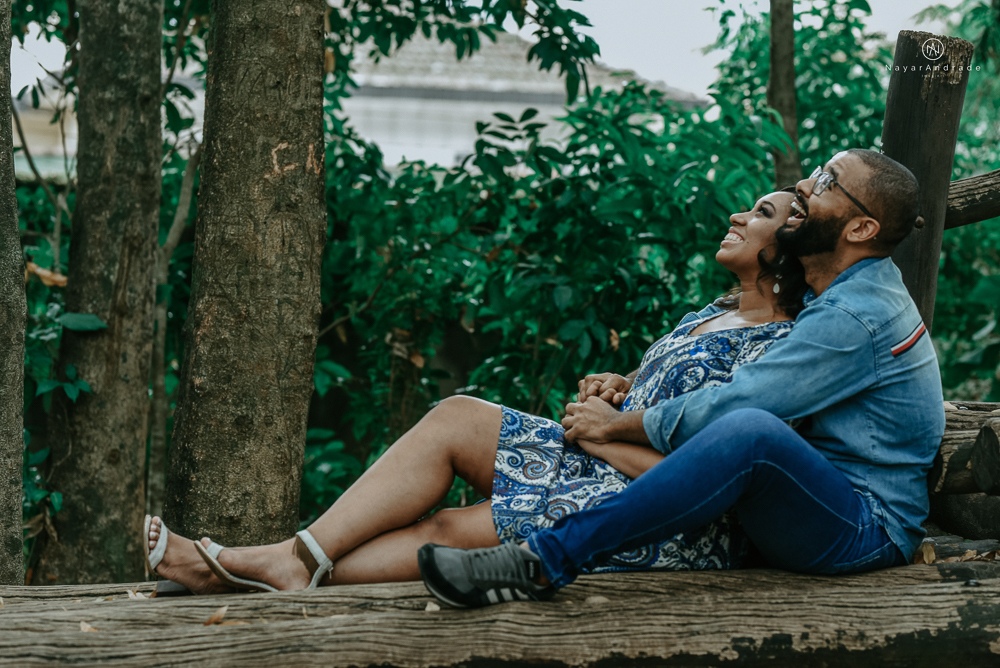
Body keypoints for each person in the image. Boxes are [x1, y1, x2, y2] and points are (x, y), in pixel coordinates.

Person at [143, 188, 808, 594]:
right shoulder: (712, 313)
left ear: (791, 246)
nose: (738, 214)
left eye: (762, 212)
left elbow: (714, 477)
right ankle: (290, 559)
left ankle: (259, 567)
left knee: (451, 528)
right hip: (599, 456)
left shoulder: (780, 351)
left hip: (658, 511)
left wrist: (604, 433)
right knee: (459, 414)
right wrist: (621, 385)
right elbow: (658, 391)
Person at [418, 148, 947, 609]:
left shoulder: (855, 316)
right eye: (817, 172)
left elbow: (738, 404)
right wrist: (631, 379)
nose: (806, 186)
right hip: (804, 499)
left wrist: (617, 425)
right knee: (749, 431)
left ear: (861, 229)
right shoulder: (834, 284)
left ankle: (539, 563)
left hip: (863, 527)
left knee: (752, 432)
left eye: (828, 182)